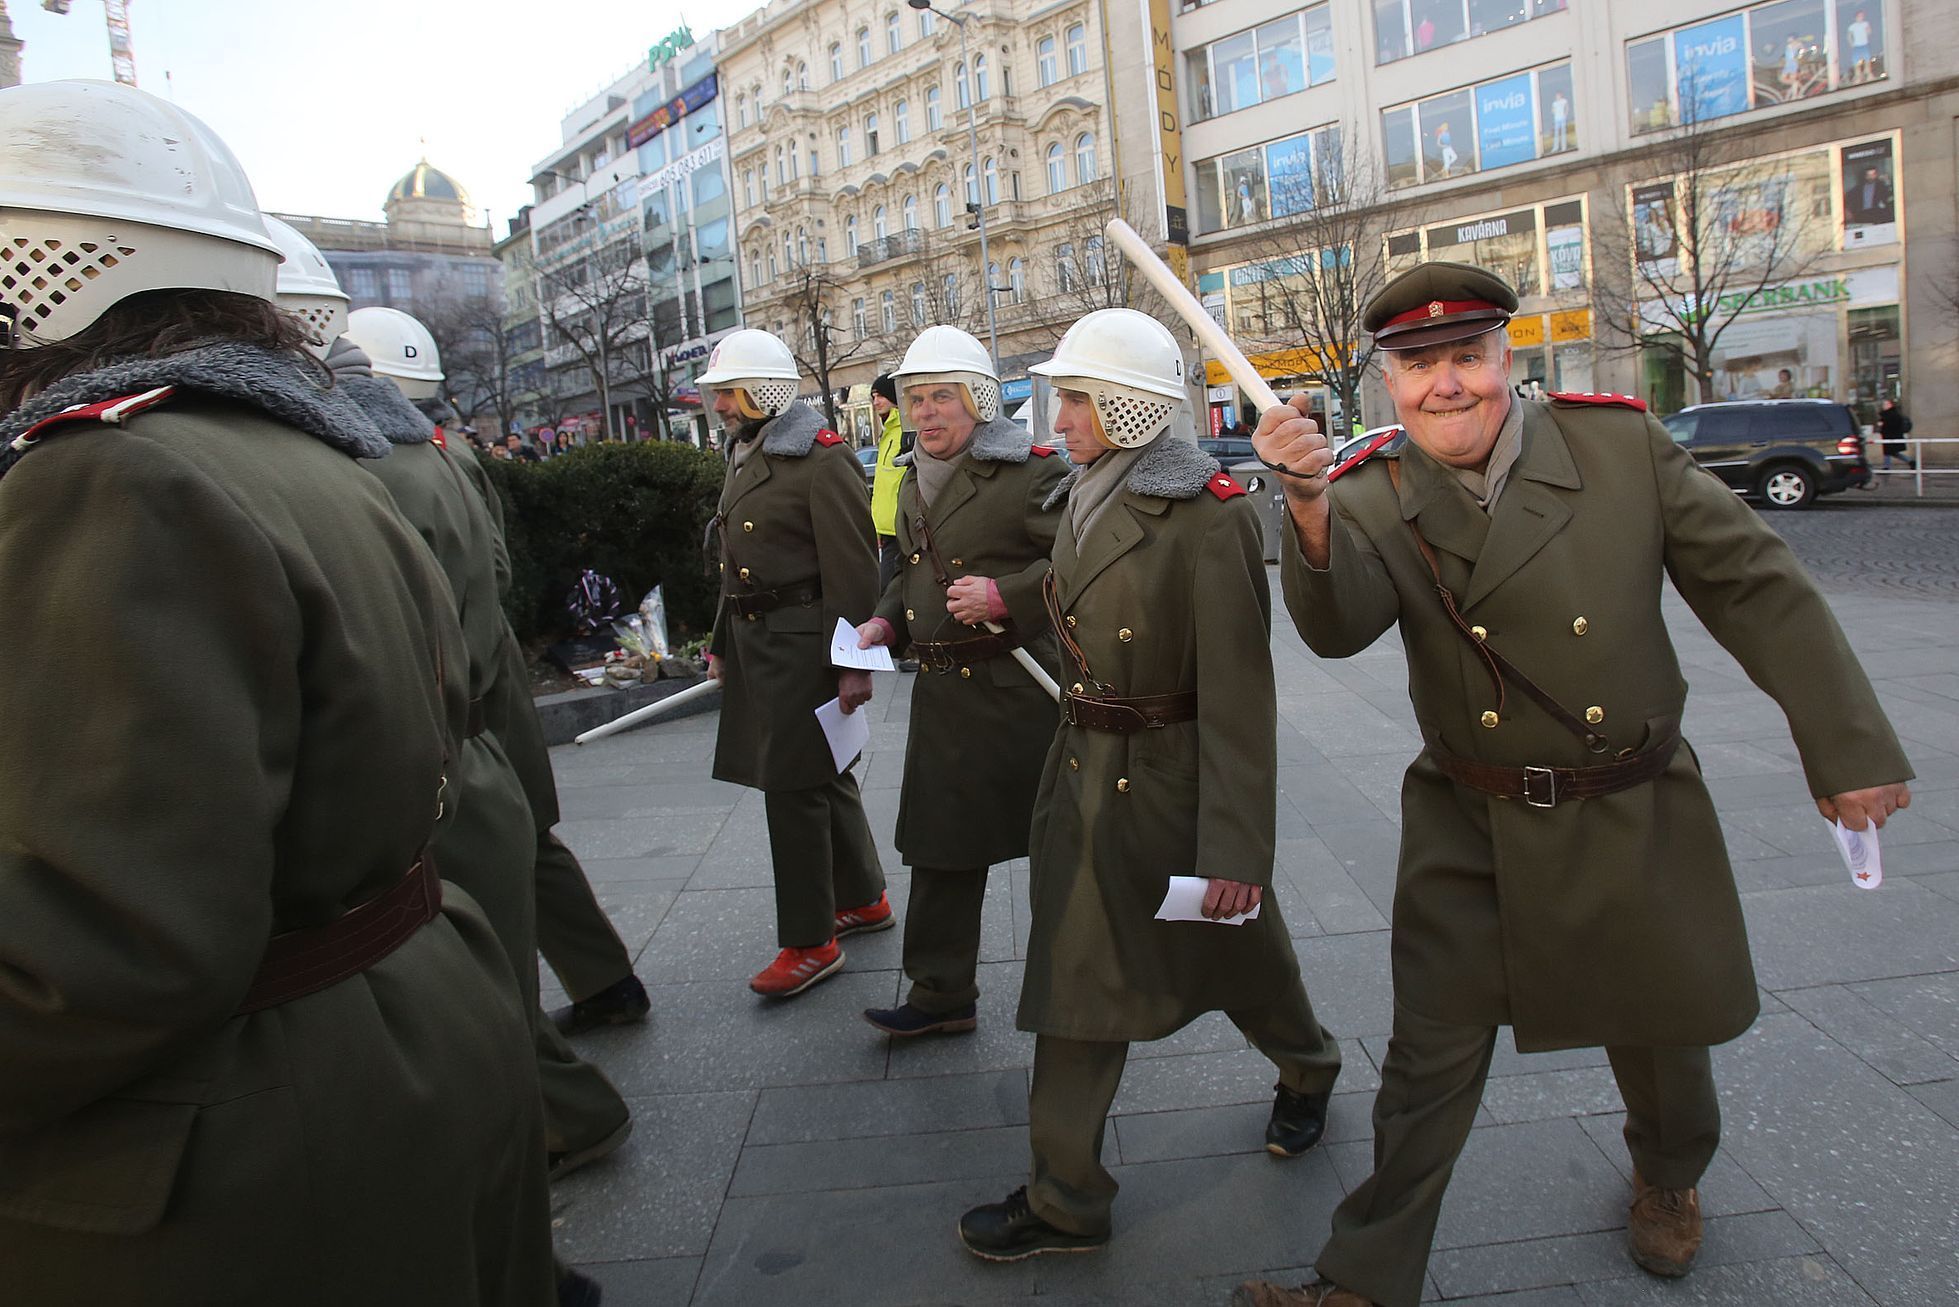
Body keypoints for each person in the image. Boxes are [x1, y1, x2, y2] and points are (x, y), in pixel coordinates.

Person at [1234, 260, 1913, 1307]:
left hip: (1629, 800)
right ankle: (1363, 1276)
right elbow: (1335, 628)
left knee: (1660, 1028)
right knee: (1428, 1054)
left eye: (1466, 356)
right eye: (1419, 366)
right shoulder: (1368, 487)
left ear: (1508, 358)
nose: (1445, 384)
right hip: (1472, 813)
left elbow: (1754, 582)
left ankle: (1670, 1175)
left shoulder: (1618, 447)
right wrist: (1309, 502)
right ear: (1386, 381)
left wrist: (1848, 744)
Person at [0, 79, 556, 1305]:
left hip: (248, 1125)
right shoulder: (292, 446)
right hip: (389, 1029)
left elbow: (103, 945)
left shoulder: (109, 478)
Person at [957, 309, 1342, 1261]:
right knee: (1076, 979)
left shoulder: (1206, 515)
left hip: (1167, 780)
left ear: (1129, 408)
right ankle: (1066, 1194)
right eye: (1061, 395)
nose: (1060, 415)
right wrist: (1002, 602)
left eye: (1079, 397)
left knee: (1238, 948)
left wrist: (1236, 847)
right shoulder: (1081, 491)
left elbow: (1242, 698)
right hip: (1084, 770)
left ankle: (1308, 1063)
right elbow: (1070, 588)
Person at [338, 306, 634, 1187]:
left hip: (448, 720)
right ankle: (606, 986)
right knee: (519, 860)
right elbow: (497, 571)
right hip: (479, 696)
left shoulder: (387, 468)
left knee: (480, 924)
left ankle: (567, 1101)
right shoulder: (444, 454)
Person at [852, 326, 1066, 1038]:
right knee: (939, 846)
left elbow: (1087, 558)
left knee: (1055, 847)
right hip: (943, 698)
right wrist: (886, 624)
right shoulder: (914, 474)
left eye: (942, 396)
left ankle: (1072, 982)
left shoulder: (1031, 470)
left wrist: (1008, 594)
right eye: (916, 399)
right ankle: (941, 992)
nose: (927, 413)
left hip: (1020, 696)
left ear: (977, 400)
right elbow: (914, 569)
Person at [698, 329, 889, 997]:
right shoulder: (747, 449)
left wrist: (853, 662)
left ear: (764, 390)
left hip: (804, 644)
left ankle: (810, 939)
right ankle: (863, 897)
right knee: (822, 771)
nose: (718, 403)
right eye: (718, 391)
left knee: (792, 788)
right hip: (759, 642)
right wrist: (723, 640)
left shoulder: (819, 457)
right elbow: (733, 564)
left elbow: (853, 568)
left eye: (728, 390)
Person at [870, 371, 907, 591]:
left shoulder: (904, 432)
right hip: (887, 532)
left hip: (903, 531)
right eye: (873, 397)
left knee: (889, 591)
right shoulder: (887, 434)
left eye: (879, 395)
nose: (875, 402)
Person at [1877, 398, 1915, 470]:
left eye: (1886, 404)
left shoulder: (1892, 414)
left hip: (1892, 436)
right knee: (1891, 452)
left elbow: (1893, 425)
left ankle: (1887, 467)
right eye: (1884, 404)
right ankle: (1910, 461)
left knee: (1889, 452)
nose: (1884, 406)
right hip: (1889, 436)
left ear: (1890, 405)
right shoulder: (1888, 414)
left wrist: (1883, 424)